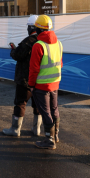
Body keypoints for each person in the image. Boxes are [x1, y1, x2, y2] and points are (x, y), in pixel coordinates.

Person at [29, 15, 63, 149]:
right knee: (54, 109)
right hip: (55, 83)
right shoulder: (59, 43)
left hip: (42, 85)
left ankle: (49, 140)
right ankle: (56, 135)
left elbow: (34, 69)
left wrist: (31, 85)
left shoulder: (38, 45)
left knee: (45, 112)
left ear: (38, 29)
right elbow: (60, 64)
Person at [3, 15, 40, 137]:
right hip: (40, 80)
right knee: (38, 104)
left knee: (20, 103)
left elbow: (17, 55)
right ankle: (37, 129)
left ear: (30, 27)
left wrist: (13, 50)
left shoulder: (28, 42)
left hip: (25, 79)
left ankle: (15, 129)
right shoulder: (43, 41)